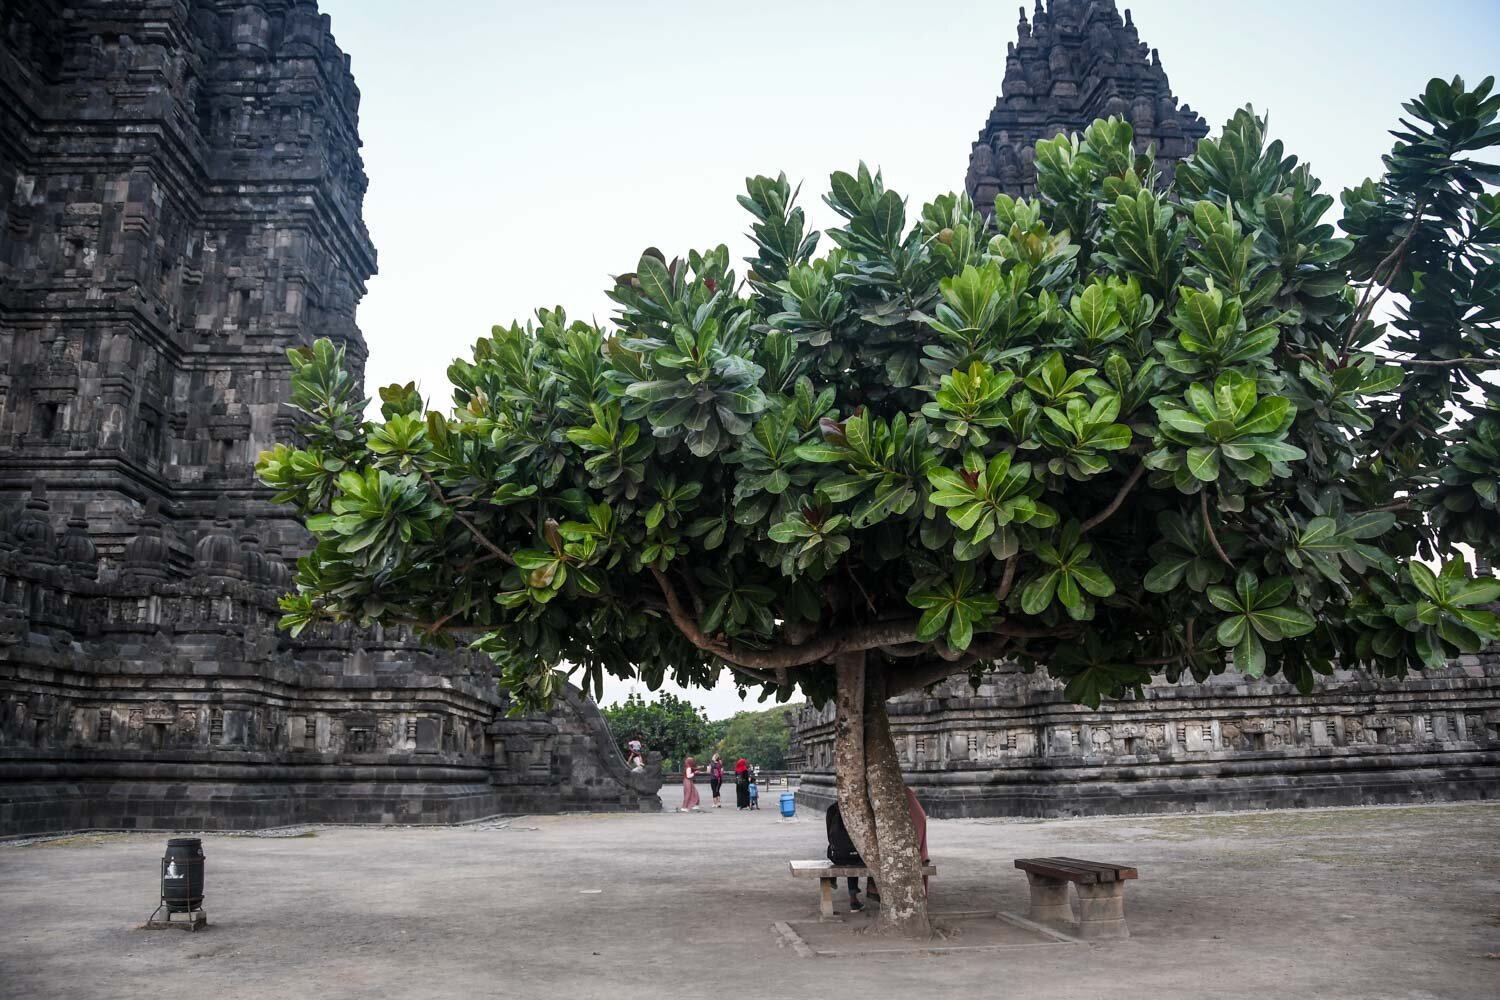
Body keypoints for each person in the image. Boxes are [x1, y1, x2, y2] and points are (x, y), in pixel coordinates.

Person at [824, 787, 929, 911]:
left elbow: (831, 839)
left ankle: (854, 897)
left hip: (840, 856)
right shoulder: (899, 801)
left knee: (852, 852)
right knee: (863, 853)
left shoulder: (834, 809)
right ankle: (876, 894)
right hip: (868, 855)